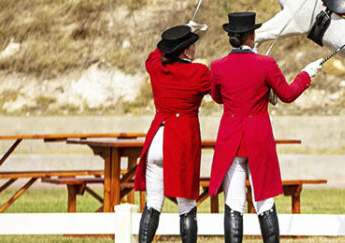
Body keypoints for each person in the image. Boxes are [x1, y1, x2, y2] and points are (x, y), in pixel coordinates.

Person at [208, 12, 322, 243]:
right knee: (265, 201)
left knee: (233, 202)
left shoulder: (218, 66)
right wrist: (306, 75)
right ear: (252, 36)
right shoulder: (265, 63)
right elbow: (288, 94)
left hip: (231, 138)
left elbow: (217, 97)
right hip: (258, 137)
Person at [134, 25, 211, 243]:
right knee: (187, 206)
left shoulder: (157, 67)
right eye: (192, 45)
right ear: (186, 51)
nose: (195, 49)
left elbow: (152, 55)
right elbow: (220, 91)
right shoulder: (198, 72)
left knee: (153, 203)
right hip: (180, 142)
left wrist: (172, 41)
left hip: (157, 139)